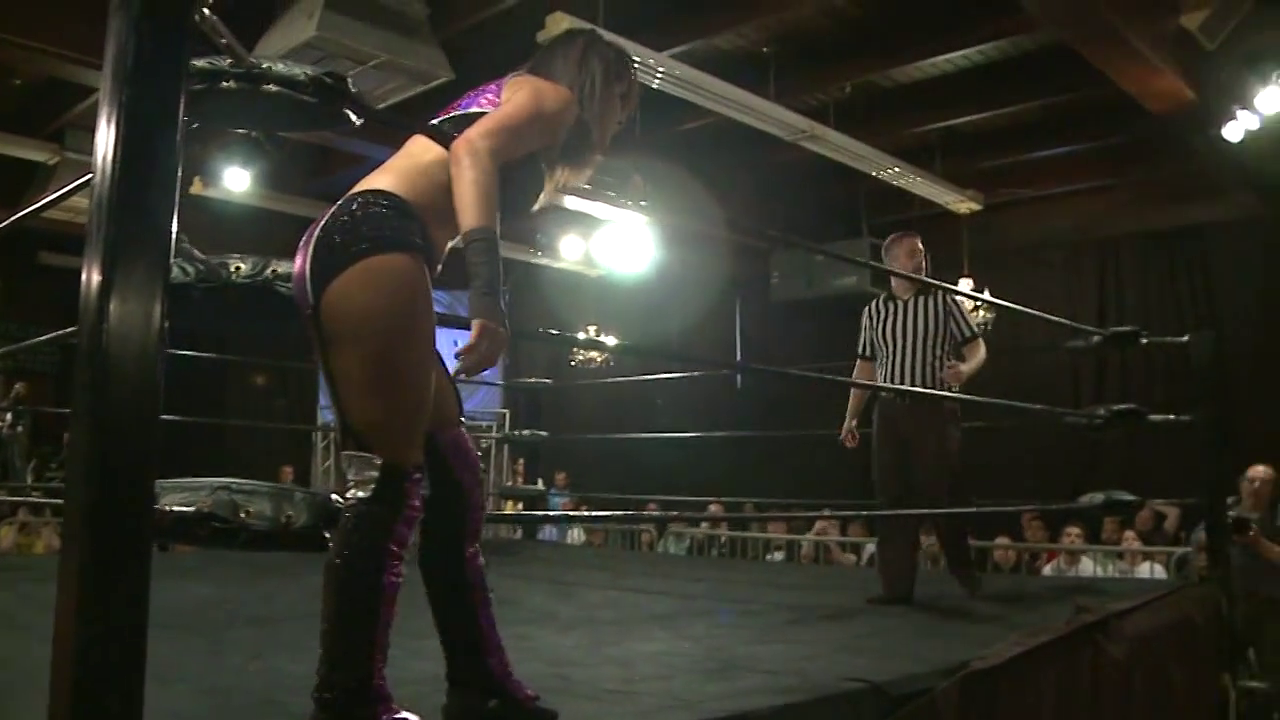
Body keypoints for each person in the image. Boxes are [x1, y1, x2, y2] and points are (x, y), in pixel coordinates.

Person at [291, 29, 638, 720]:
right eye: (625, 100)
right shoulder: (555, 98)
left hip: (373, 239)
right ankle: (348, 700)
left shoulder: (517, 93)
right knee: (391, 482)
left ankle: (477, 681)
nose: (623, 117)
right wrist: (488, 298)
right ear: (602, 82)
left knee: (454, 478)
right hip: (374, 237)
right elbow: (471, 152)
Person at [837, 231, 987, 605]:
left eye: (921, 253)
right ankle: (896, 588)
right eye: (911, 254)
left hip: (932, 407)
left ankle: (965, 573)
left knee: (943, 492)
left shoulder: (943, 300)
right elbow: (866, 366)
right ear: (891, 263)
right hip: (889, 411)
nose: (921, 260)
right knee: (891, 497)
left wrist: (965, 370)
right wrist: (851, 416)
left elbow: (977, 346)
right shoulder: (874, 311)